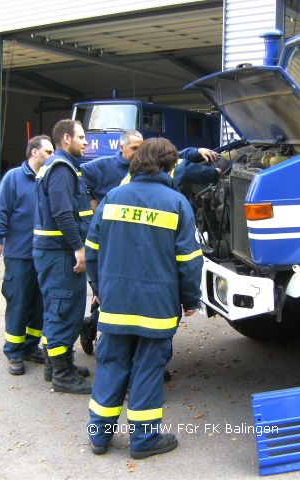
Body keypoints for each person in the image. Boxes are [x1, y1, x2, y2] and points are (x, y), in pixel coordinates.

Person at [85, 137, 203, 459]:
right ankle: (144, 440)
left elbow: (92, 251)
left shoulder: (112, 198)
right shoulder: (178, 203)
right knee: (149, 369)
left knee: (111, 365)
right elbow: (189, 261)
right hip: (157, 307)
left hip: (115, 303)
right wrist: (191, 300)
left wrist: (100, 289)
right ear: (168, 165)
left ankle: (99, 436)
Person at [33, 119, 92, 395]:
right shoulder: (61, 169)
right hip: (60, 254)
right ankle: (62, 375)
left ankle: (56, 365)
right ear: (66, 139)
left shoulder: (61, 167)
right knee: (62, 309)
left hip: (55, 252)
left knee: (60, 308)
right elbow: (63, 213)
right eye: (81, 137)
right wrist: (79, 247)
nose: (86, 142)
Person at [0, 135, 54, 376]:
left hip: (44, 254)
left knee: (39, 304)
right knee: (19, 303)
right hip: (20, 255)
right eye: (47, 152)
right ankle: (14, 352)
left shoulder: (48, 178)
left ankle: (29, 346)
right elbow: (1, 211)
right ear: (34, 152)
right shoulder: (14, 178)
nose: (51, 156)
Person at [80, 130, 220, 204]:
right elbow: (78, 179)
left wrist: (197, 152)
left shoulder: (148, 162)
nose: (139, 152)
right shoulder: (101, 166)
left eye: (142, 148)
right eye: (135, 148)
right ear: (122, 147)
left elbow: (172, 155)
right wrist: (92, 204)